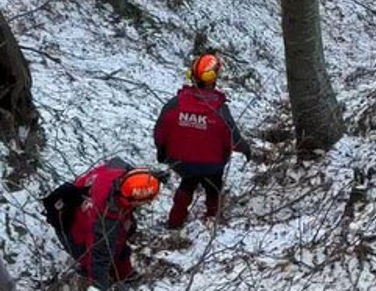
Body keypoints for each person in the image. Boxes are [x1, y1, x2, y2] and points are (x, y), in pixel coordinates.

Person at [154, 53, 252, 229]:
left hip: (181, 162)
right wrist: (246, 149)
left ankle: (174, 222)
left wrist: (161, 149)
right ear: (213, 78)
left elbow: (160, 131)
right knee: (213, 185)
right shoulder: (220, 109)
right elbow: (233, 138)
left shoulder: (175, 104)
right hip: (212, 164)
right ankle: (212, 217)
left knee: (188, 182)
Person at [56, 158, 160, 290]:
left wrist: (154, 178)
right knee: (96, 255)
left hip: (77, 207)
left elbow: (127, 169)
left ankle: (123, 273)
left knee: (124, 231)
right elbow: (98, 259)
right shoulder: (107, 216)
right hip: (71, 227)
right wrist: (99, 287)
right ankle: (89, 277)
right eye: (144, 202)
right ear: (131, 201)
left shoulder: (120, 173)